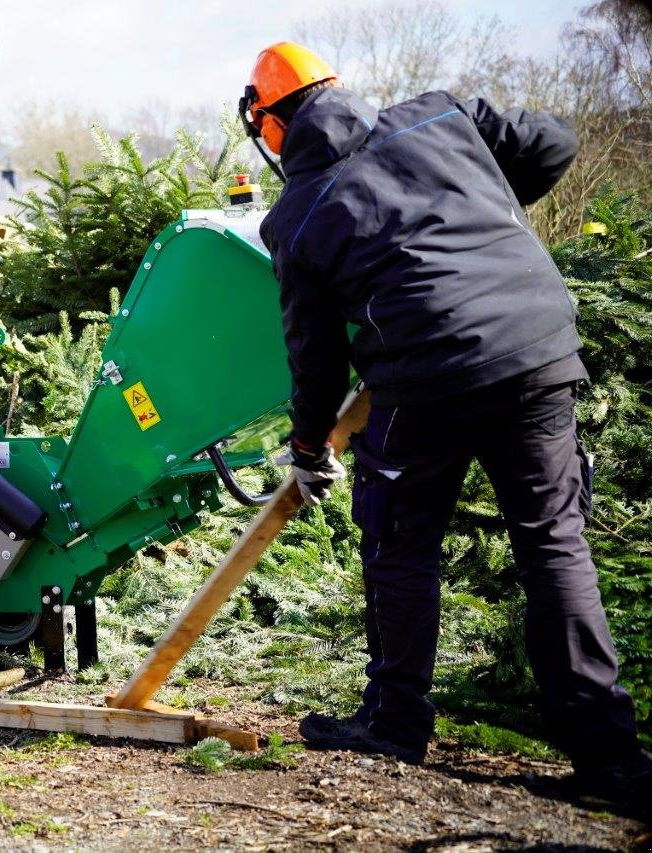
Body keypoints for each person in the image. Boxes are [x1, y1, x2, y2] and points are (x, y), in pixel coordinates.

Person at [240, 41, 650, 800]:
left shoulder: (296, 216)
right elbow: (554, 140)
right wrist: (485, 205)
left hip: (425, 381)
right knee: (554, 545)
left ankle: (396, 724)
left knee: (399, 544)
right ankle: (611, 760)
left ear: (271, 125)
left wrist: (307, 444)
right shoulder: (440, 115)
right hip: (540, 349)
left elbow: (315, 357)